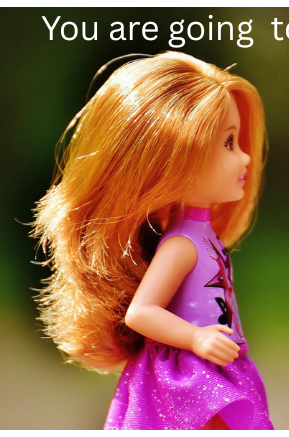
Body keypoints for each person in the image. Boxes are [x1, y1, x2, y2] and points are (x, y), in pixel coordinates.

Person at [33, 52, 273, 430]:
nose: (245, 158)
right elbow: (141, 313)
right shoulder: (181, 245)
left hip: (217, 366)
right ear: (177, 156)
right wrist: (195, 338)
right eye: (229, 142)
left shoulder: (203, 237)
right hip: (189, 378)